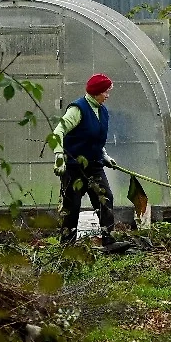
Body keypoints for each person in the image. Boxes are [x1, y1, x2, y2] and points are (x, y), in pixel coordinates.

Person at [52, 73, 120, 248]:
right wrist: (59, 156)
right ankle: (67, 246)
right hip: (74, 166)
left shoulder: (102, 110)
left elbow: (94, 138)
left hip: (94, 165)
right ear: (96, 92)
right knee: (72, 205)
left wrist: (104, 155)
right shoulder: (78, 109)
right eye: (105, 92)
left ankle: (109, 241)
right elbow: (58, 132)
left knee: (105, 198)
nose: (108, 95)